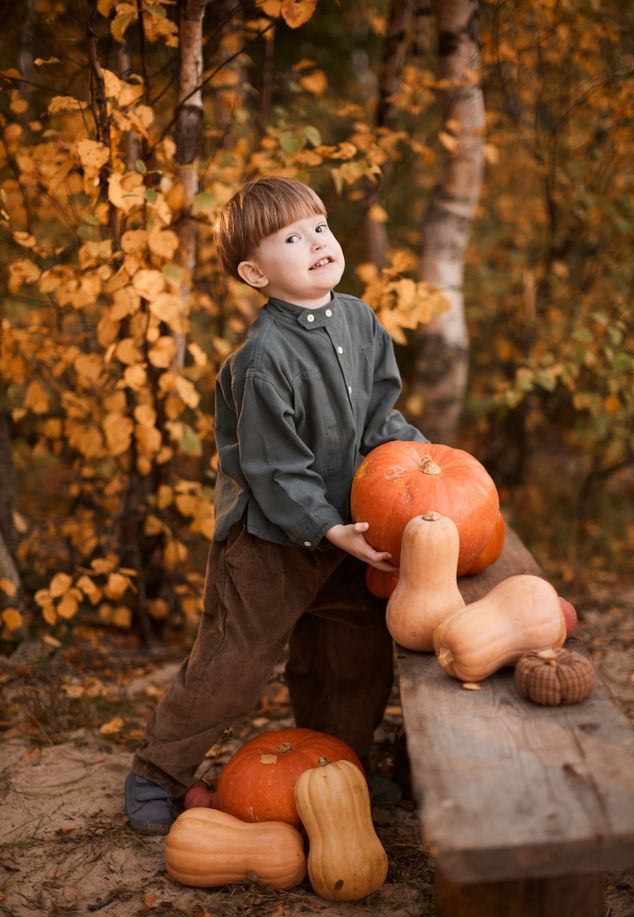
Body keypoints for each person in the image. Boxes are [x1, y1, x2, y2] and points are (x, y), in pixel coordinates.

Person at [125, 176, 427, 833]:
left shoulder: (360, 320)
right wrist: (327, 528)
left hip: (352, 528)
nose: (316, 242)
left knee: (352, 655)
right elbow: (275, 470)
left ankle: (335, 761)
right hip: (268, 541)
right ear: (255, 272)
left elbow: (382, 417)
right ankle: (159, 770)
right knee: (231, 665)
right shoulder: (262, 361)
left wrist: (428, 468)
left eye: (319, 226)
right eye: (292, 238)